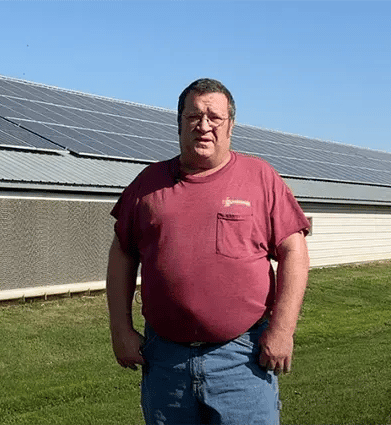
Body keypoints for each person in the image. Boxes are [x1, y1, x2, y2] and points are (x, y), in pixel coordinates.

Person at [106, 78, 310, 425]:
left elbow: (295, 252)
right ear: (179, 123)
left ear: (230, 125)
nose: (204, 126)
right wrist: (120, 330)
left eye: (214, 117)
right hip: (166, 361)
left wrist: (282, 330)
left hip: (243, 358)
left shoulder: (260, 178)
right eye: (193, 116)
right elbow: (122, 254)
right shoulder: (147, 185)